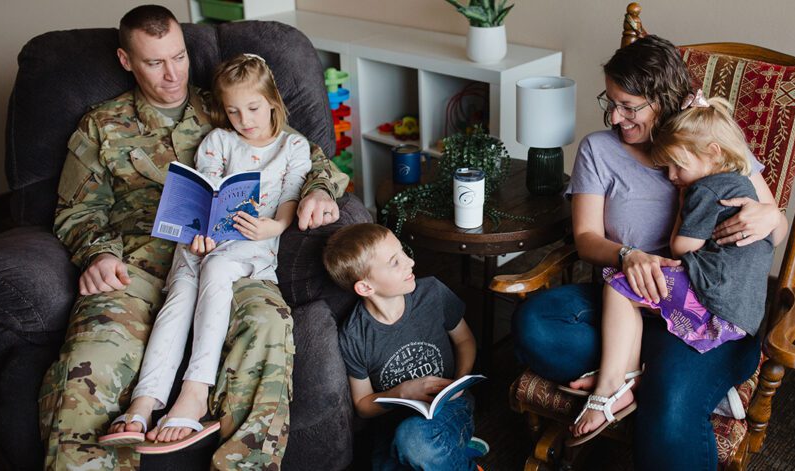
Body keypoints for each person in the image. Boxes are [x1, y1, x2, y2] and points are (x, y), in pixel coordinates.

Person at [40, 5, 347, 470]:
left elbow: (304, 156)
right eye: (154, 62)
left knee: (266, 327)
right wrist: (98, 254)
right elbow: (77, 209)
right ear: (126, 61)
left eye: (179, 57)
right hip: (136, 263)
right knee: (91, 361)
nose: (172, 74)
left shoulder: (228, 103)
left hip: (233, 252)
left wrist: (318, 192)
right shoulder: (101, 125)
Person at [512, 34, 788, 470]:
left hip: (705, 307)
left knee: (670, 407)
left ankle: (642, 380)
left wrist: (772, 217)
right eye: (611, 101)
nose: (615, 116)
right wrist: (629, 256)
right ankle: (649, 374)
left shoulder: (704, 144)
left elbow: (774, 227)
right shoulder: (598, 150)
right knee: (535, 325)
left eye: (629, 105)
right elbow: (586, 238)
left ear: (664, 100)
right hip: (626, 300)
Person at [99, 53, 312, 450]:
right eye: (233, 111)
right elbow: (206, 192)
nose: (244, 120)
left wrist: (277, 225)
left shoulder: (293, 146)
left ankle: (195, 393)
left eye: (252, 108)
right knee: (179, 294)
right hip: (204, 241)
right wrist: (201, 232)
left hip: (253, 243)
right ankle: (144, 403)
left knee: (215, 269)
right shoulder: (218, 140)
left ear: (272, 101)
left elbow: (290, 193)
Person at [568, 93, 775, 444]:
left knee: (620, 285)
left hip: (713, 296)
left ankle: (615, 382)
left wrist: (683, 202)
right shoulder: (738, 181)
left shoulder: (705, 188)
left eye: (678, 166)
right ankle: (649, 377)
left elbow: (683, 247)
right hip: (743, 309)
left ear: (712, 152)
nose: (672, 176)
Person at [322, 223, 484, 471]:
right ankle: (453, 451)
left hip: (450, 406)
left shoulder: (432, 293)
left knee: (415, 443)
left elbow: (465, 340)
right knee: (400, 451)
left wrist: (459, 382)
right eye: (394, 262)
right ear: (366, 287)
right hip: (392, 425)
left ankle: (451, 451)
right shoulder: (354, 336)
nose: (410, 262)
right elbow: (363, 405)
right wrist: (401, 393)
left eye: (403, 252)